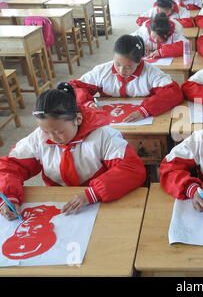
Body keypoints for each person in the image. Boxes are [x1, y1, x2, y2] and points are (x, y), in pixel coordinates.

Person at [0, 83, 147, 220]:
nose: (52, 137)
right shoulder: (39, 138)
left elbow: (132, 169)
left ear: (78, 119)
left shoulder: (103, 135)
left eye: (58, 131)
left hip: (100, 201)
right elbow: (9, 167)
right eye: (45, 131)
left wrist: (93, 193)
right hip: (61, 204)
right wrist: (9, 196)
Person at [69, 35, 183, 123]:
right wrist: (87, 103)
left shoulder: (150, 73)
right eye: (117, 63)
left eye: (128, 67)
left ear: (139, 62)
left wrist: (145, 110)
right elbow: (73, 87)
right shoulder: (102, 71)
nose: (121, 70)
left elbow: (174, 92)